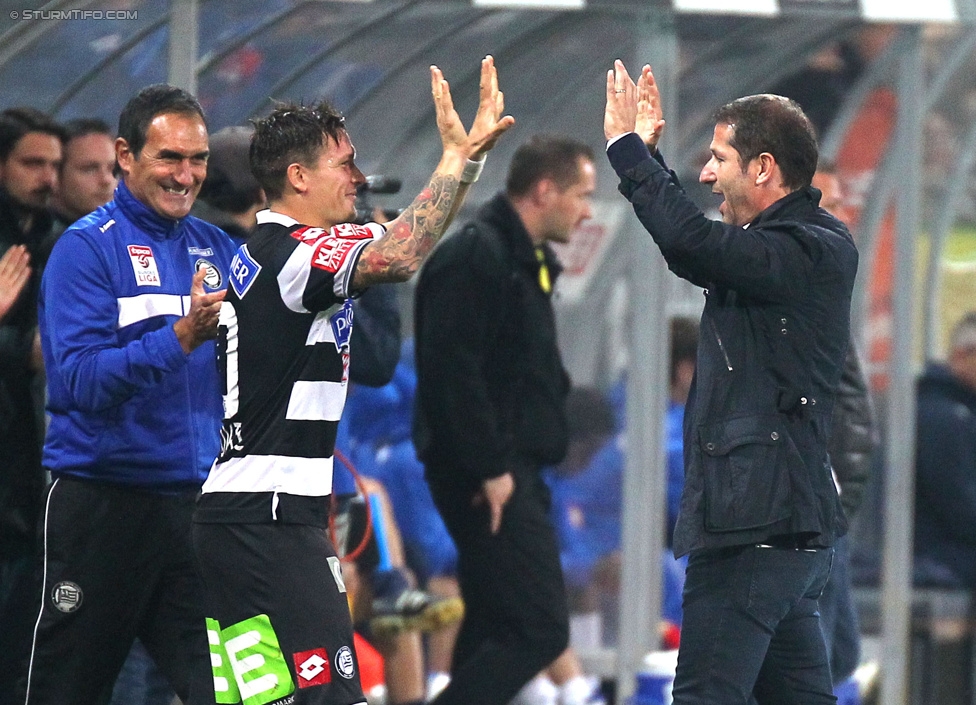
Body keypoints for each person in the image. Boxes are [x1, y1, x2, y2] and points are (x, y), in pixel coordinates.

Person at [191, 56, 513, 705]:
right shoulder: (297, 253)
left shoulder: (269, 251)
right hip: (272, 527)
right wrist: (458, 161)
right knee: (333, 696)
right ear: (297, 175)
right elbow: (398, 253)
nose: (359, 179)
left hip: (239, 523)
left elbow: (387, 260)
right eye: (345, 164)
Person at [604, 62, 858, 703]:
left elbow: (693, 245)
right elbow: (701, 244)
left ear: (764, 168)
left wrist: (631, 156)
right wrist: (652, 165)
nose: (708, 174)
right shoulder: (785, 248)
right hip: (779, 529)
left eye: (719, 159)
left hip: (753, 527)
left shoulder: (809, 248)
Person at [26, 84, 236, 705]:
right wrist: (180, 337)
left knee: (248, 691)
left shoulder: (217, 247)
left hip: (199, 513)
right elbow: (80, 382)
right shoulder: (86, 249)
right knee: (69, 691)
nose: (186, 174)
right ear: (126, 155)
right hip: (104, 506)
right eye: (169, 157)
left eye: (197, 159)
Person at [413, 133, 596, 705]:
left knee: (494, 625)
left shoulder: (526, 261)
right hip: (488, 475)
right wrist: (490, 468)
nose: (587, 210)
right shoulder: (475, 256)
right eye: (582, 195)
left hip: (515, 470)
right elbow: (452, 374)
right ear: (544, 191)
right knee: (540, 629)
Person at [0, 106, 64, 704]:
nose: (46, 177)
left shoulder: (53, 240)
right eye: (31, 163)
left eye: (54, 165)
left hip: (28, 477)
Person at [811, 165, 878, 694]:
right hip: (809, 506)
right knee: (824, 658)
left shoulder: (826, 289)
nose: (842, 219)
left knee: (841, 653)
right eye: (828, 206)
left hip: (833, 506)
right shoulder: (789, 291)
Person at [913, 312, 976, 590]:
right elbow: (961, 508)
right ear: (963, 355)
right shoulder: (945, 417)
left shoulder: (949, 409)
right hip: (937, 555)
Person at [50, 118, 117, 236]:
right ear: (56, 175)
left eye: (113, 169)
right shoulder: (42, 246)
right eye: (89, 169)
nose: (106, 180)